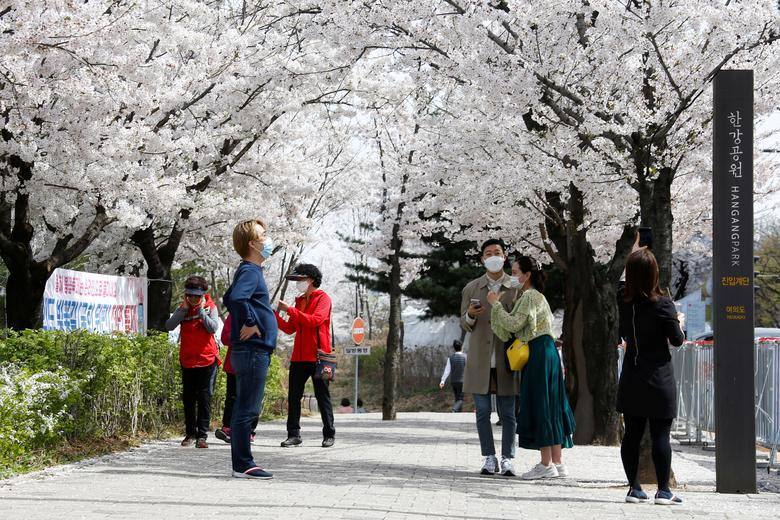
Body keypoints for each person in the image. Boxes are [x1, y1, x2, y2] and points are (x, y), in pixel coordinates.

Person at [489, 254, 576, 480]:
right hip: (549, 352)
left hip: (537, 353)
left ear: (528, 275)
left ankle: (546, 464)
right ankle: (557, 462)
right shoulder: (540, 297)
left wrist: (495, 305)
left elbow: (513, 324)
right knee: (553, 403)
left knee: (541, 404)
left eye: (516, 272)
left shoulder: (528, 296)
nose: (513, 276)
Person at [617, 247, 685, 505]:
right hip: (659, 377)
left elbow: (624, 284)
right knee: (660, 435)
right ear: (655, 274)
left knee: (631, 434)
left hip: (632, 375)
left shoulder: (621, 300)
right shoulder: (664, 305)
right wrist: (677, 320)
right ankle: (664, 491)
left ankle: (634, 488)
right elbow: (677, 340)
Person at [222, 219, 278, 479]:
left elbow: (228, 296)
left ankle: (242, 462)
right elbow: (235, 298)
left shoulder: (248, 270)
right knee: (248, 408)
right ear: (253, 244)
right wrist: (250, 322)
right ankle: (243, 463)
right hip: (253, 349)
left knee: (245, 406)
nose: (268, 239)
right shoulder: (251, 271)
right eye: (263, 235)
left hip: (252, 349)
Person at [460, 239, 521, 476]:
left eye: (498, 252)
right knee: (483, 412)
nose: (493, 256)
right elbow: (464, 325)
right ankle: (489, 457)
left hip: (507, 358)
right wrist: (471, 315)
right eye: (488, 253)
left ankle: (508, 458)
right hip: (479, 360)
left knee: (508, 413)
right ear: (482, 259)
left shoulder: (515, 287)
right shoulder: (471, 288)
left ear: (505, 257)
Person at [275, 263, 336, 448]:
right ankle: (294, 435)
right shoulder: (300, 300)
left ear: (310, 280)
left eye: (300, 279)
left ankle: (329, 434)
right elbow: (290, 328)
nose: (297, 283)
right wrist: (274, 315)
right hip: (298, 357)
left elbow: (315, 321)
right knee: (294, 396)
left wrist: (290, 310)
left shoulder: (323, 299)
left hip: (319, 356)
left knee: (322, 395)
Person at [165, 275, 220, 449]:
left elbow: (212, 327)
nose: (194, 299)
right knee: (188, 398)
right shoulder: (183, 308)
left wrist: (201, 311)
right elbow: (169, 326)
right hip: (188, 360)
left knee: (204, 398)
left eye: (197, 295)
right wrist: (183, 310)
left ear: (204, 294)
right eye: (191, 295)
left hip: (207, 360)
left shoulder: (211, 307)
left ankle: (202, 436)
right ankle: (190, 433)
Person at [214, 314, 259, 444]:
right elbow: (224, 338)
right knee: (232, 397)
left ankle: (249, 431)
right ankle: (227, 428)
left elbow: (265, 337)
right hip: (234, 363)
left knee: (251, 399)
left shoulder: (262, 313)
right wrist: (243, 334)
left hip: (254, 364)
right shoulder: (234, 314)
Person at [439, 339, 467, 412]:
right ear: (462, 347)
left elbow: (447, 371)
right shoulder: (466, 357)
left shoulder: (450, 358)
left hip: (454, 381)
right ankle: (454, 409)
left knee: (457, 398)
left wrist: (442, 381)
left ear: (454, 348)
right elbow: (470, 370)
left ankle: (458, 412)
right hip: (462, 381)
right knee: (460, 399)